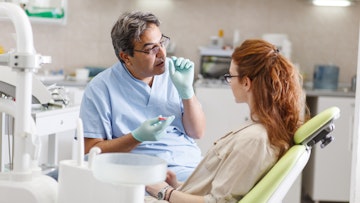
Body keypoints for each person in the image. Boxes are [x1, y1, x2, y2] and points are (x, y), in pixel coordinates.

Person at [145, 39, 310, 203]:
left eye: (230, 76)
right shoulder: (262, 130)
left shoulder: (254, 140)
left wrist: (165, 192)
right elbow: (221, 187)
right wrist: (178, 186)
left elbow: (216, 202)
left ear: (246, 82)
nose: (229, 82)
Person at [79, 11, 206, 182]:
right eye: (151, 49)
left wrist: (187, 93)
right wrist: (136, 137)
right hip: (141, 173)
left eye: (161, 43)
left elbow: (197, 132)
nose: (162, 53)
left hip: (189, 166)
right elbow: (91, 152)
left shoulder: (174, 73)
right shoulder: (101, 88)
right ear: (126, 57)